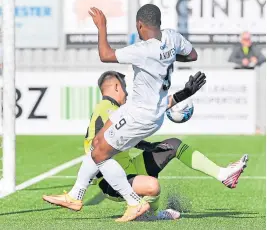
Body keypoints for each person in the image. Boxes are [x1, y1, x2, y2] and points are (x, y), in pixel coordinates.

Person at [43, 4, 247, 222]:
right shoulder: (173, 38)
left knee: (99, 154)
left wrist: (102, 27)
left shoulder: (142, 50)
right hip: (142, 110)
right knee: (98, 144)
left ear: (139, 25)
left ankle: (132, 202)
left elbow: (105, 55)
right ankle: (76, 195)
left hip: (140, 115)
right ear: (159, 23)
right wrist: (165, 58)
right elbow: (192, 55)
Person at [43, 70, 248, 220]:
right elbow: (97, 149)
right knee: (153, 186)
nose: (127, 93)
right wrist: (87, 184)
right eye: (124, 88)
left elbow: (121, 136)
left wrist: (148, 147)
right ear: (115, 87)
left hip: (130, 166)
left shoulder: (116, 109)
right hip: (113, 182)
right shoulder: (106, 108)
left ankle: (223, 174)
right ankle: (151, 212)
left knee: (173, 145)